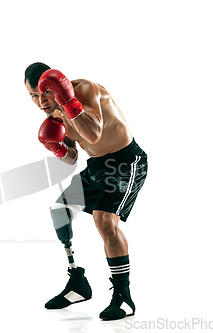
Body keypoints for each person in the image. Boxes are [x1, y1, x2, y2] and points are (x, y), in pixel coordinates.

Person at [24, 62, 148, 321]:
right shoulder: (54, 115)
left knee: (104, 219)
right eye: (33, 96)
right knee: (60, 211)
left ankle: (123, 297)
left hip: (125, 162)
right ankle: (78, 283)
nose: (40, 102)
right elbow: (72, 157)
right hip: (97, 167)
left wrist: (68, 102)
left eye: (43, 93)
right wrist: (57, 148)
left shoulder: (84, 89)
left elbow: (93, 134)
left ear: (56, 85)